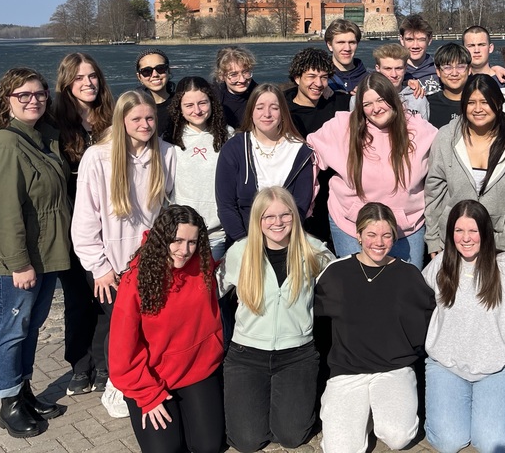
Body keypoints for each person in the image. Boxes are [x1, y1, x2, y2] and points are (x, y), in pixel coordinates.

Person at [0, 67, 71, 438]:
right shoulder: (4, 145)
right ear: (7, 101)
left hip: (43, 255)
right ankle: (9, 404)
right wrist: (19, 263)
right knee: (11, 330)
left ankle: (24, 391)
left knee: (29, 327)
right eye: (23, 95)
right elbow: (3, 211)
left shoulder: (41, 137)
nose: (34, 100)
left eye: (40, 93)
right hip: (12, 262)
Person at [72, 90, 176, 418]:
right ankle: (118, 386)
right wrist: (99, 268)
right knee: (123, 327)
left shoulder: (167, 154)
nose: (145, 125)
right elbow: (85, 220)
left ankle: (147, 383)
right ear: (122, 121)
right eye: (136, 119)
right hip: (112, 266)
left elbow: (176, 209)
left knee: (152, 327)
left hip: (154, 263)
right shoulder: (98, 158)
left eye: (149, 118)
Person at [217, 186, 334, 452]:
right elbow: (208, 291)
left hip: (297, 355)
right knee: (247, 441)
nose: (277, 223)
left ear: (294, 216)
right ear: (257, 220)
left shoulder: (314, 251)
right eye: (268, 217)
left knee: (292, 437)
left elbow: (341, 285)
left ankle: (282, 409)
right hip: (247, 355)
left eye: (285, 215)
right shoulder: (240, 252)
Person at [315, 203, 435, 453]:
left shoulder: (408, 274)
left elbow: (424, 322)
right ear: (358, 235)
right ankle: (353, 413)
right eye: (371, 234)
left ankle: (375, 412)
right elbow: (318, 323)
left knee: (398, 437)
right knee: (340, 449)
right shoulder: (335, 273)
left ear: (394, 236)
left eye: (386, 235)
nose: (378, 242)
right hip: (348, 372)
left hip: (393, 369)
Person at [109, 205, 224, 453]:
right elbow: (121, 353)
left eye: (192, 242)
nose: (185, 251)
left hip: (197, 368)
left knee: (209, 446)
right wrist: (148, 395)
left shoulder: (201, 265)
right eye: (178, 240)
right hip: (150, 376)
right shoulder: (135, 281)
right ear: (163, 238)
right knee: (167, 449)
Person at [422, 201, 505, 453]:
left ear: (485, 232)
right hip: (446, 365)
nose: (466, 238)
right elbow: (414, 299)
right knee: (448, 442)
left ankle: (504, 417)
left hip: (496, 368)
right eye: (459, 231)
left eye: (473, 231)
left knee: (494, 444)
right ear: (451, 233)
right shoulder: (441, 265)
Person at [308, 72, 438, 267]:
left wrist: (438, 231)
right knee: (356, 288)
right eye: (367, 104)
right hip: (351, 225)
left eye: (380, 100)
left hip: (406, 227)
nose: (375, 109)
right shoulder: (342, 127)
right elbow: (309, 157)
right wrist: (304, 203)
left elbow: (442, 176)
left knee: (405, 290)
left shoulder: (421, 131)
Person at [425, 74, 505, 258]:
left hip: (501, 250)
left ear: (498, 102)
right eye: (471, 102)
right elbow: (434, 194)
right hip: (452, 244)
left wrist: (502, 251)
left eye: (485, 102)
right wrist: (433, 240)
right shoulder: (446, 138)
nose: (478, 109)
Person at [52, 53, 114, 396]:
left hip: (108, 224)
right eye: (79, 78)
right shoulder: (55, 124)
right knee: (77, 299)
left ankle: (104, 363)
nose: (88, 83)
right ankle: (80, 363)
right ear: (66, 83)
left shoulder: (111, 119)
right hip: (69, 224)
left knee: (105, 297)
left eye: (92, 76)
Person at [215, 83, 315, 244]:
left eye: (274, 108)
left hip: (288, 242)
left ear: (282, 112)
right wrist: (245, 244)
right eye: (260, 107)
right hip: (244, 242)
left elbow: (300, 207)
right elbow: (226, 206)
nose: (267, 114)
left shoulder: (299, 151)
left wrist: (282, 243)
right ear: (251, 112)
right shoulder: (234, 148)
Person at [166, 77, 233, 260]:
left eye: (203, 103)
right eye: (189, 105)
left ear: (212, 102)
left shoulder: (228, 136)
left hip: (217, 235)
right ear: (179, 106)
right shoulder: (170, 141)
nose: (197, 110)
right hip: (180, 234)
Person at [284, 47, 351, 137]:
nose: (318, 84)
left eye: (324, 77)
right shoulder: (283, 110)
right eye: (311, 76)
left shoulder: (341, 103)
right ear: (297, 78)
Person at [373, 43, 429, 120]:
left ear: (405, 68)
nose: (394, 74)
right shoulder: (364, 99)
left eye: (398, 68)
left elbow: (425, 130)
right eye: (388, 69)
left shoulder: (418, 99)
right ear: (378, 68)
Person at [427, 42, 472, 129]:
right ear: (438, 71)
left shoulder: (478, 103)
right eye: (447, 68)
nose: (454, 73)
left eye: (460, 67)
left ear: (469, 69)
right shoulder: (428, 104)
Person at [213, 46, 258, 129]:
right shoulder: (212, 98)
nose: (242, 80)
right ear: (221, 76)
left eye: (245, 72)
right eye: (234, 74)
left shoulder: (260, 95)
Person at [135, 50, 176, 138]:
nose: (155, 74)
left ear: (168, 71)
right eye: (146, 71)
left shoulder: (182, 104)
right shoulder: (132, 106)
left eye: (160, 68)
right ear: (139, 77)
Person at [324, 19, 368, 94]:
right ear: (330, 45)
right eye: (341, 43)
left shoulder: (369, 80)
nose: (347, 48)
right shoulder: (321, 80)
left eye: (352, 43)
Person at [399, 14, 440, 95]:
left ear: (430, 40)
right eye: (409, 40)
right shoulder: (394, 73)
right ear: (401, 40)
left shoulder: (440, 69)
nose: (415, 46)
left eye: (421, 40)